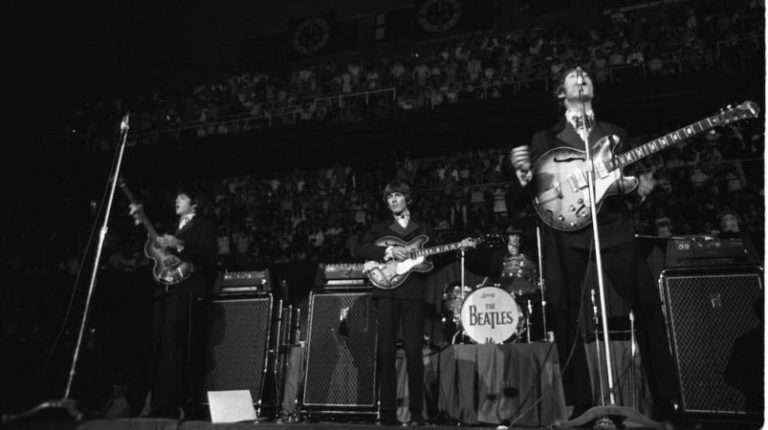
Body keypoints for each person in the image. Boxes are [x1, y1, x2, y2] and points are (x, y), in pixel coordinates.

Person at [510, 67, 681, 422]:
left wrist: (640, 189)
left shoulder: (615, 134)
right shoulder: (544, 138)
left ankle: (668, 401)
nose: (581, 77)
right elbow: (532, 197)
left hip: (613, 228)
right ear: (561, 92)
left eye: (586, 74)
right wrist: (523, 179)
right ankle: (581, 403)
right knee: (562, 310)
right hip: (566, 235)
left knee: (648, 307)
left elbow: (631, 186)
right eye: (573, 76)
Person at [133, 188, 218, 419]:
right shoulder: (172, 226)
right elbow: (155, 249)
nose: (177, 201)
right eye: (176, 198)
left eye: (182, 198)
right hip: (166, 288)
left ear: (195, 204)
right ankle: (157, 400)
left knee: (175, 346)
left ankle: (176, 403)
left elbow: (209, 256)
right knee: (160, 346)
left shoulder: (204, 226)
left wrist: (179, 244)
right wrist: (142, 221)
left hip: (187, 291)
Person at [357, 181, 433, 426]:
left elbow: (433, 263)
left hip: (412, 293)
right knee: (386, 352)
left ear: (407, 198)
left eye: (397, 195)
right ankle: (388, 414)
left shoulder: (423, 227)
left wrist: (424, 259)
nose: (393, 200)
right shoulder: (379, 227)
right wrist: (389, 251)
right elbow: (361, 248)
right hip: (386, 293)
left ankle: (417, 414)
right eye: (389, 197)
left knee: (414, 354)